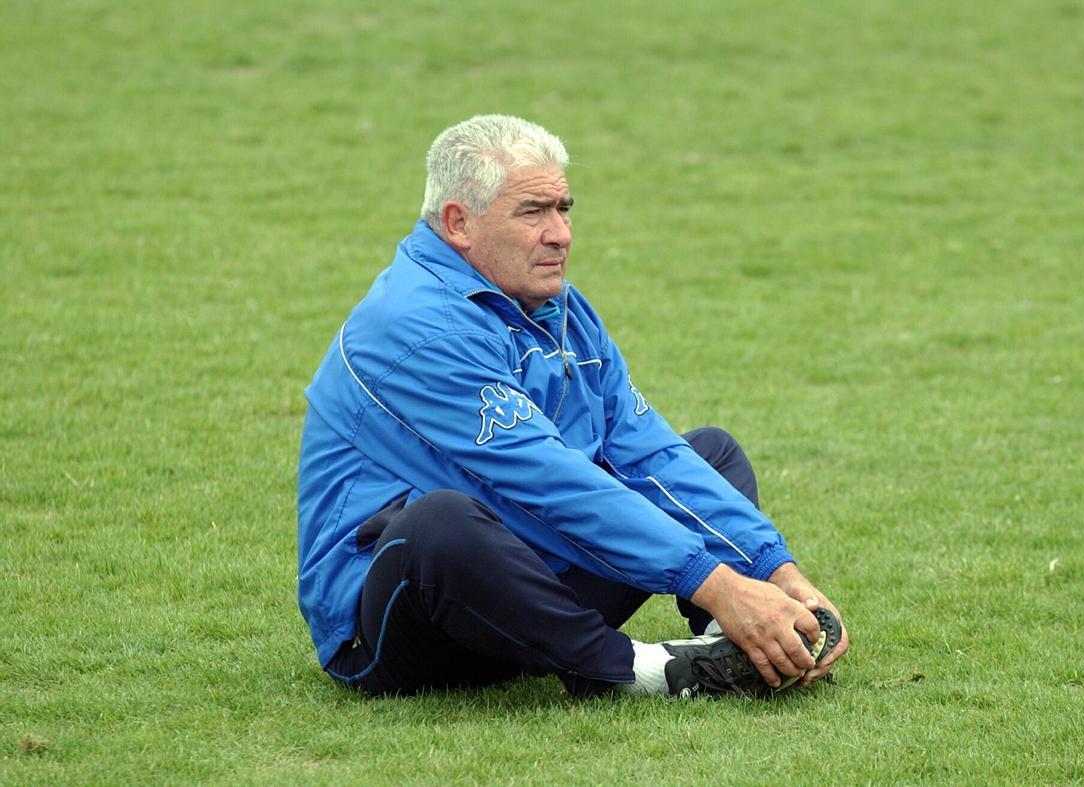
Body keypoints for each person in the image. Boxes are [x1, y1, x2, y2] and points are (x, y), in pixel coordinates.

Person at [297, 114, 849, 699]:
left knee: (708, 453)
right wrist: (715, 580)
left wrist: (774, 572)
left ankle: (745, 647)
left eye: (564, 208)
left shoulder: (557, 305)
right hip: (401, 623)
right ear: (458, 223)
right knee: (440, 523)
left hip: (526, 589)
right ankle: (643, 672)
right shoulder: (415, 327)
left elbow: (648, 453)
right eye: (533, 212)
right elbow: (551, 482)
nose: (560, 233)